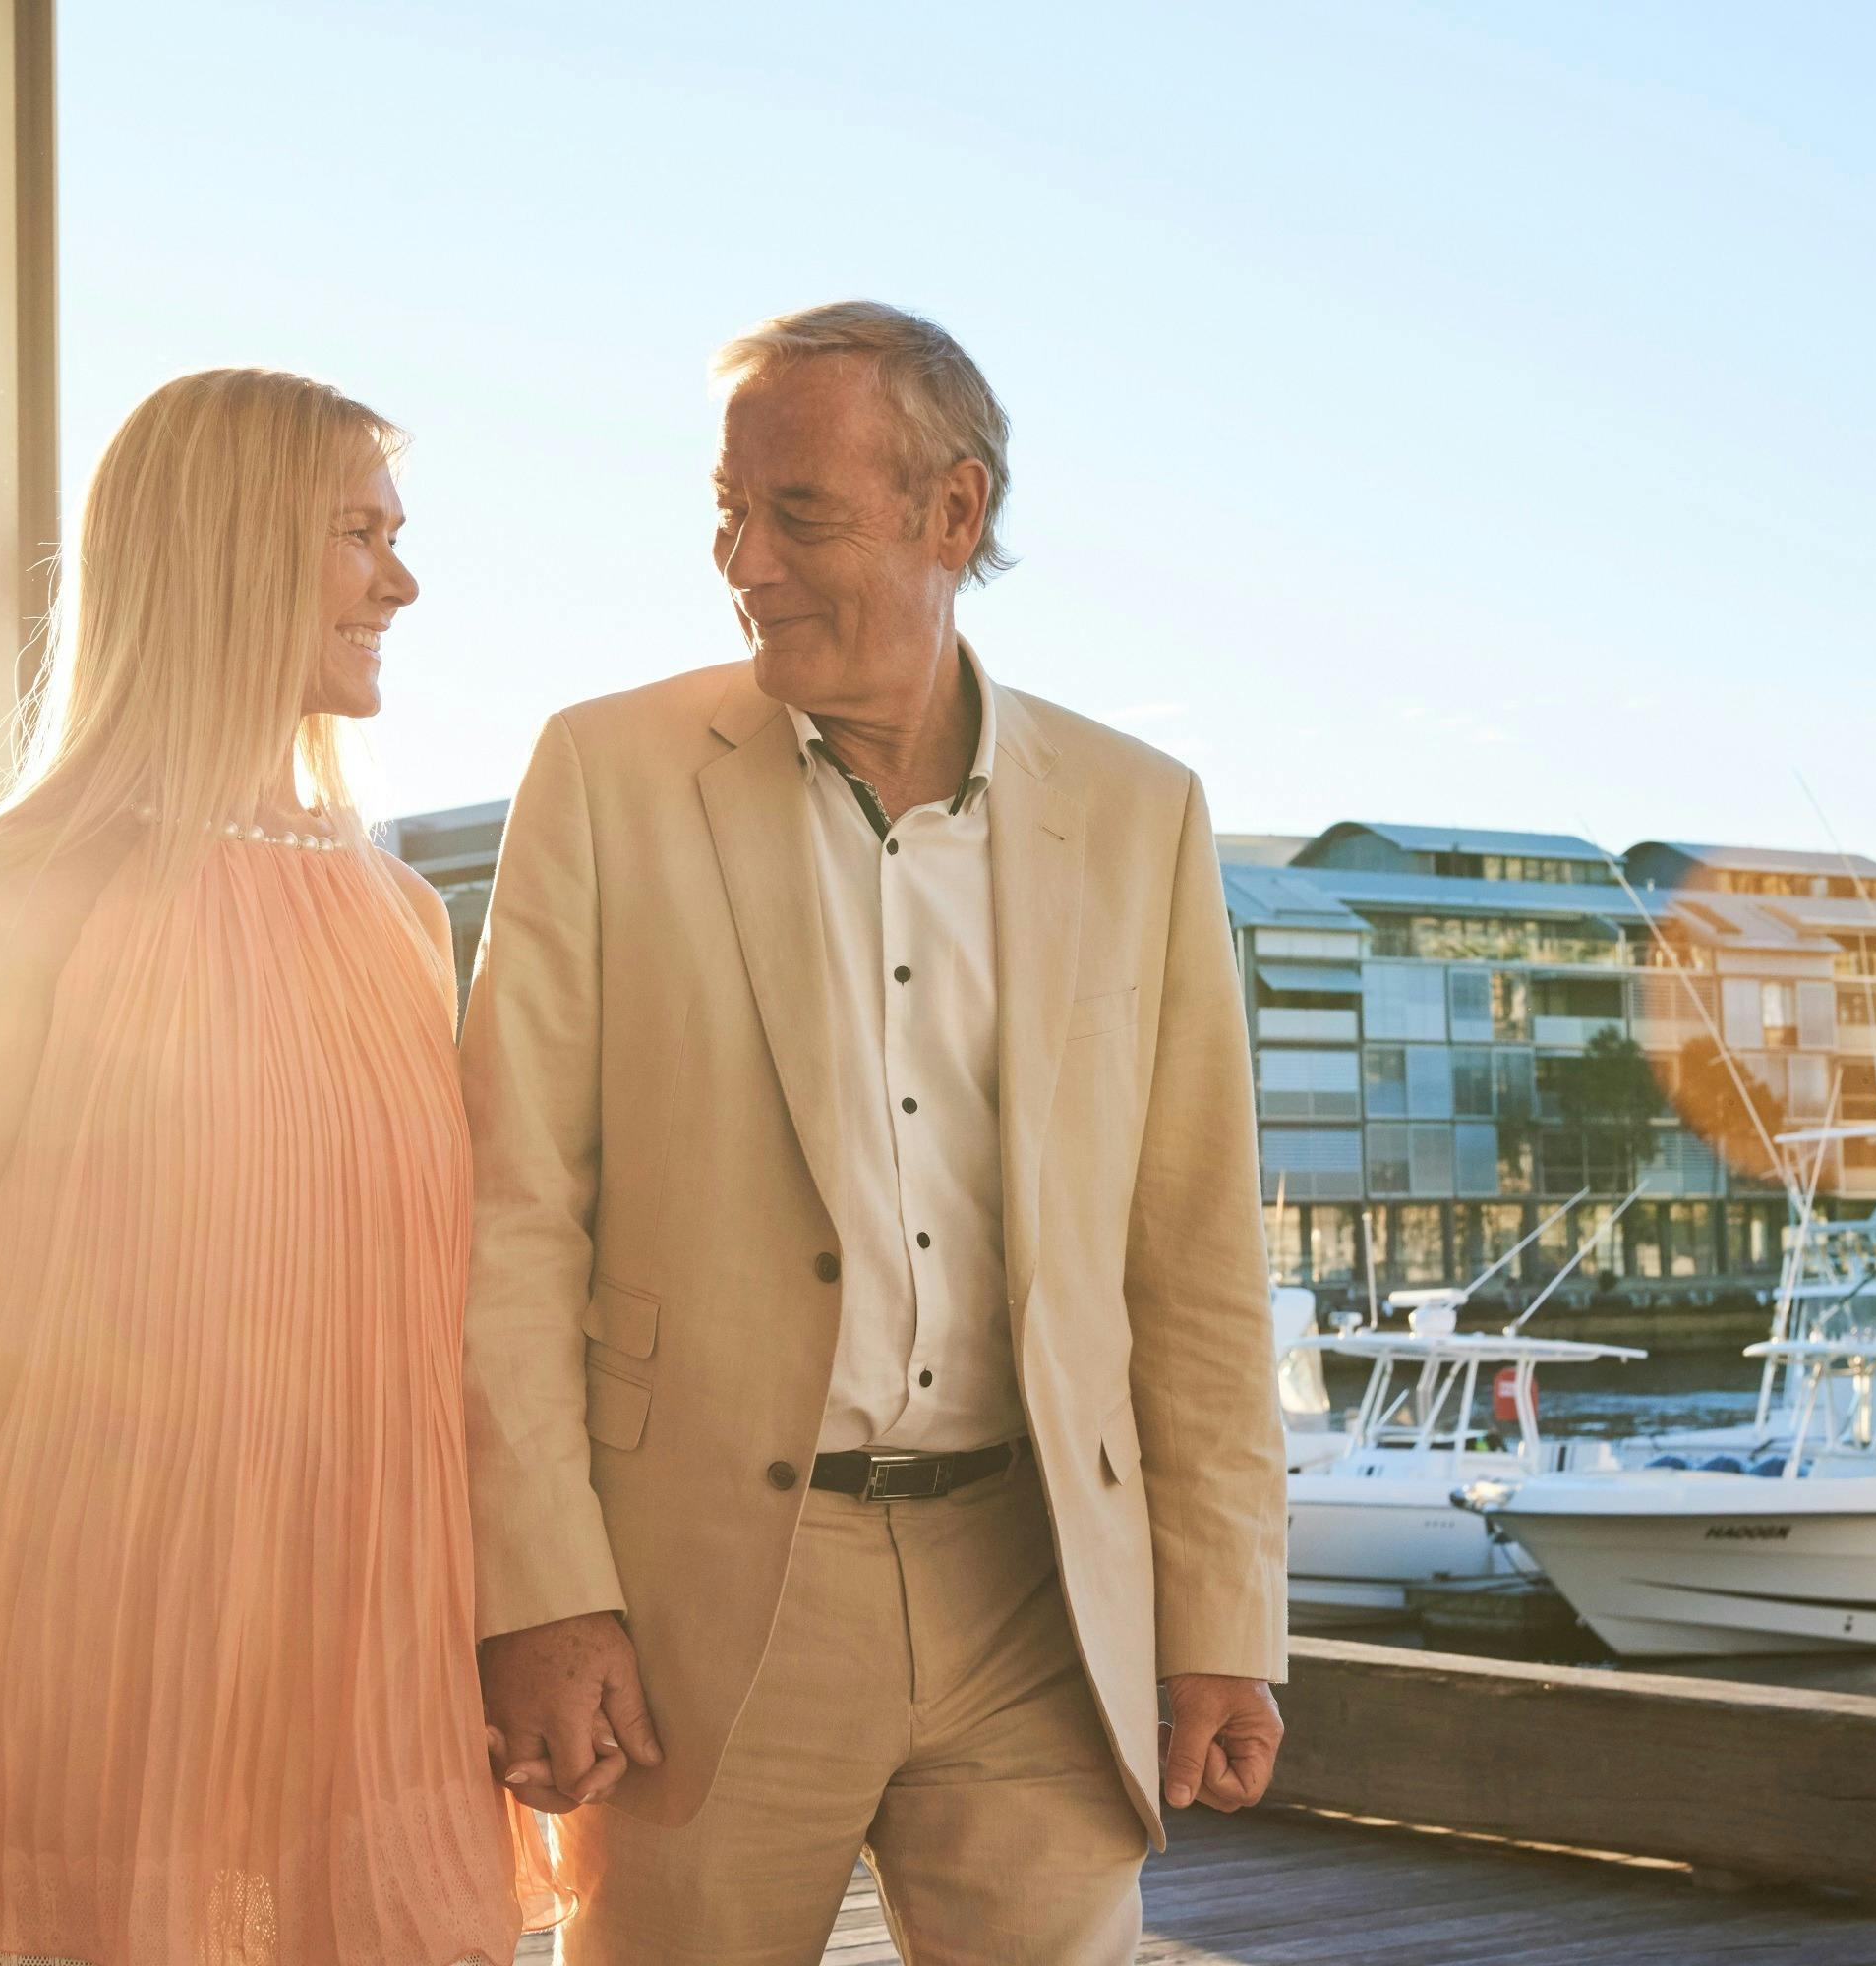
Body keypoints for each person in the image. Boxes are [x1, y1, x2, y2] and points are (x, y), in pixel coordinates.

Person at [460, 302, 1288, 1963]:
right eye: (728, 512)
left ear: (952, 514)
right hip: (705, 1597)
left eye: (800, 515)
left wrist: (1221, 1621)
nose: (743, 560)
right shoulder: (605, 776)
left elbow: (1192, 1253)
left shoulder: (1141, 812)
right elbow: (508, 1216)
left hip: (1037, 1587)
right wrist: (543, 1590)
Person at [0, 368, 562, 1965]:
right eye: (358, 534)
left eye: (396, 537)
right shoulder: (17, 892)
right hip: (111, 1643)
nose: (399, 581)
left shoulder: (404, 918)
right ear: (224, 547)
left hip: (379, 1662)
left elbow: (459, 1328)